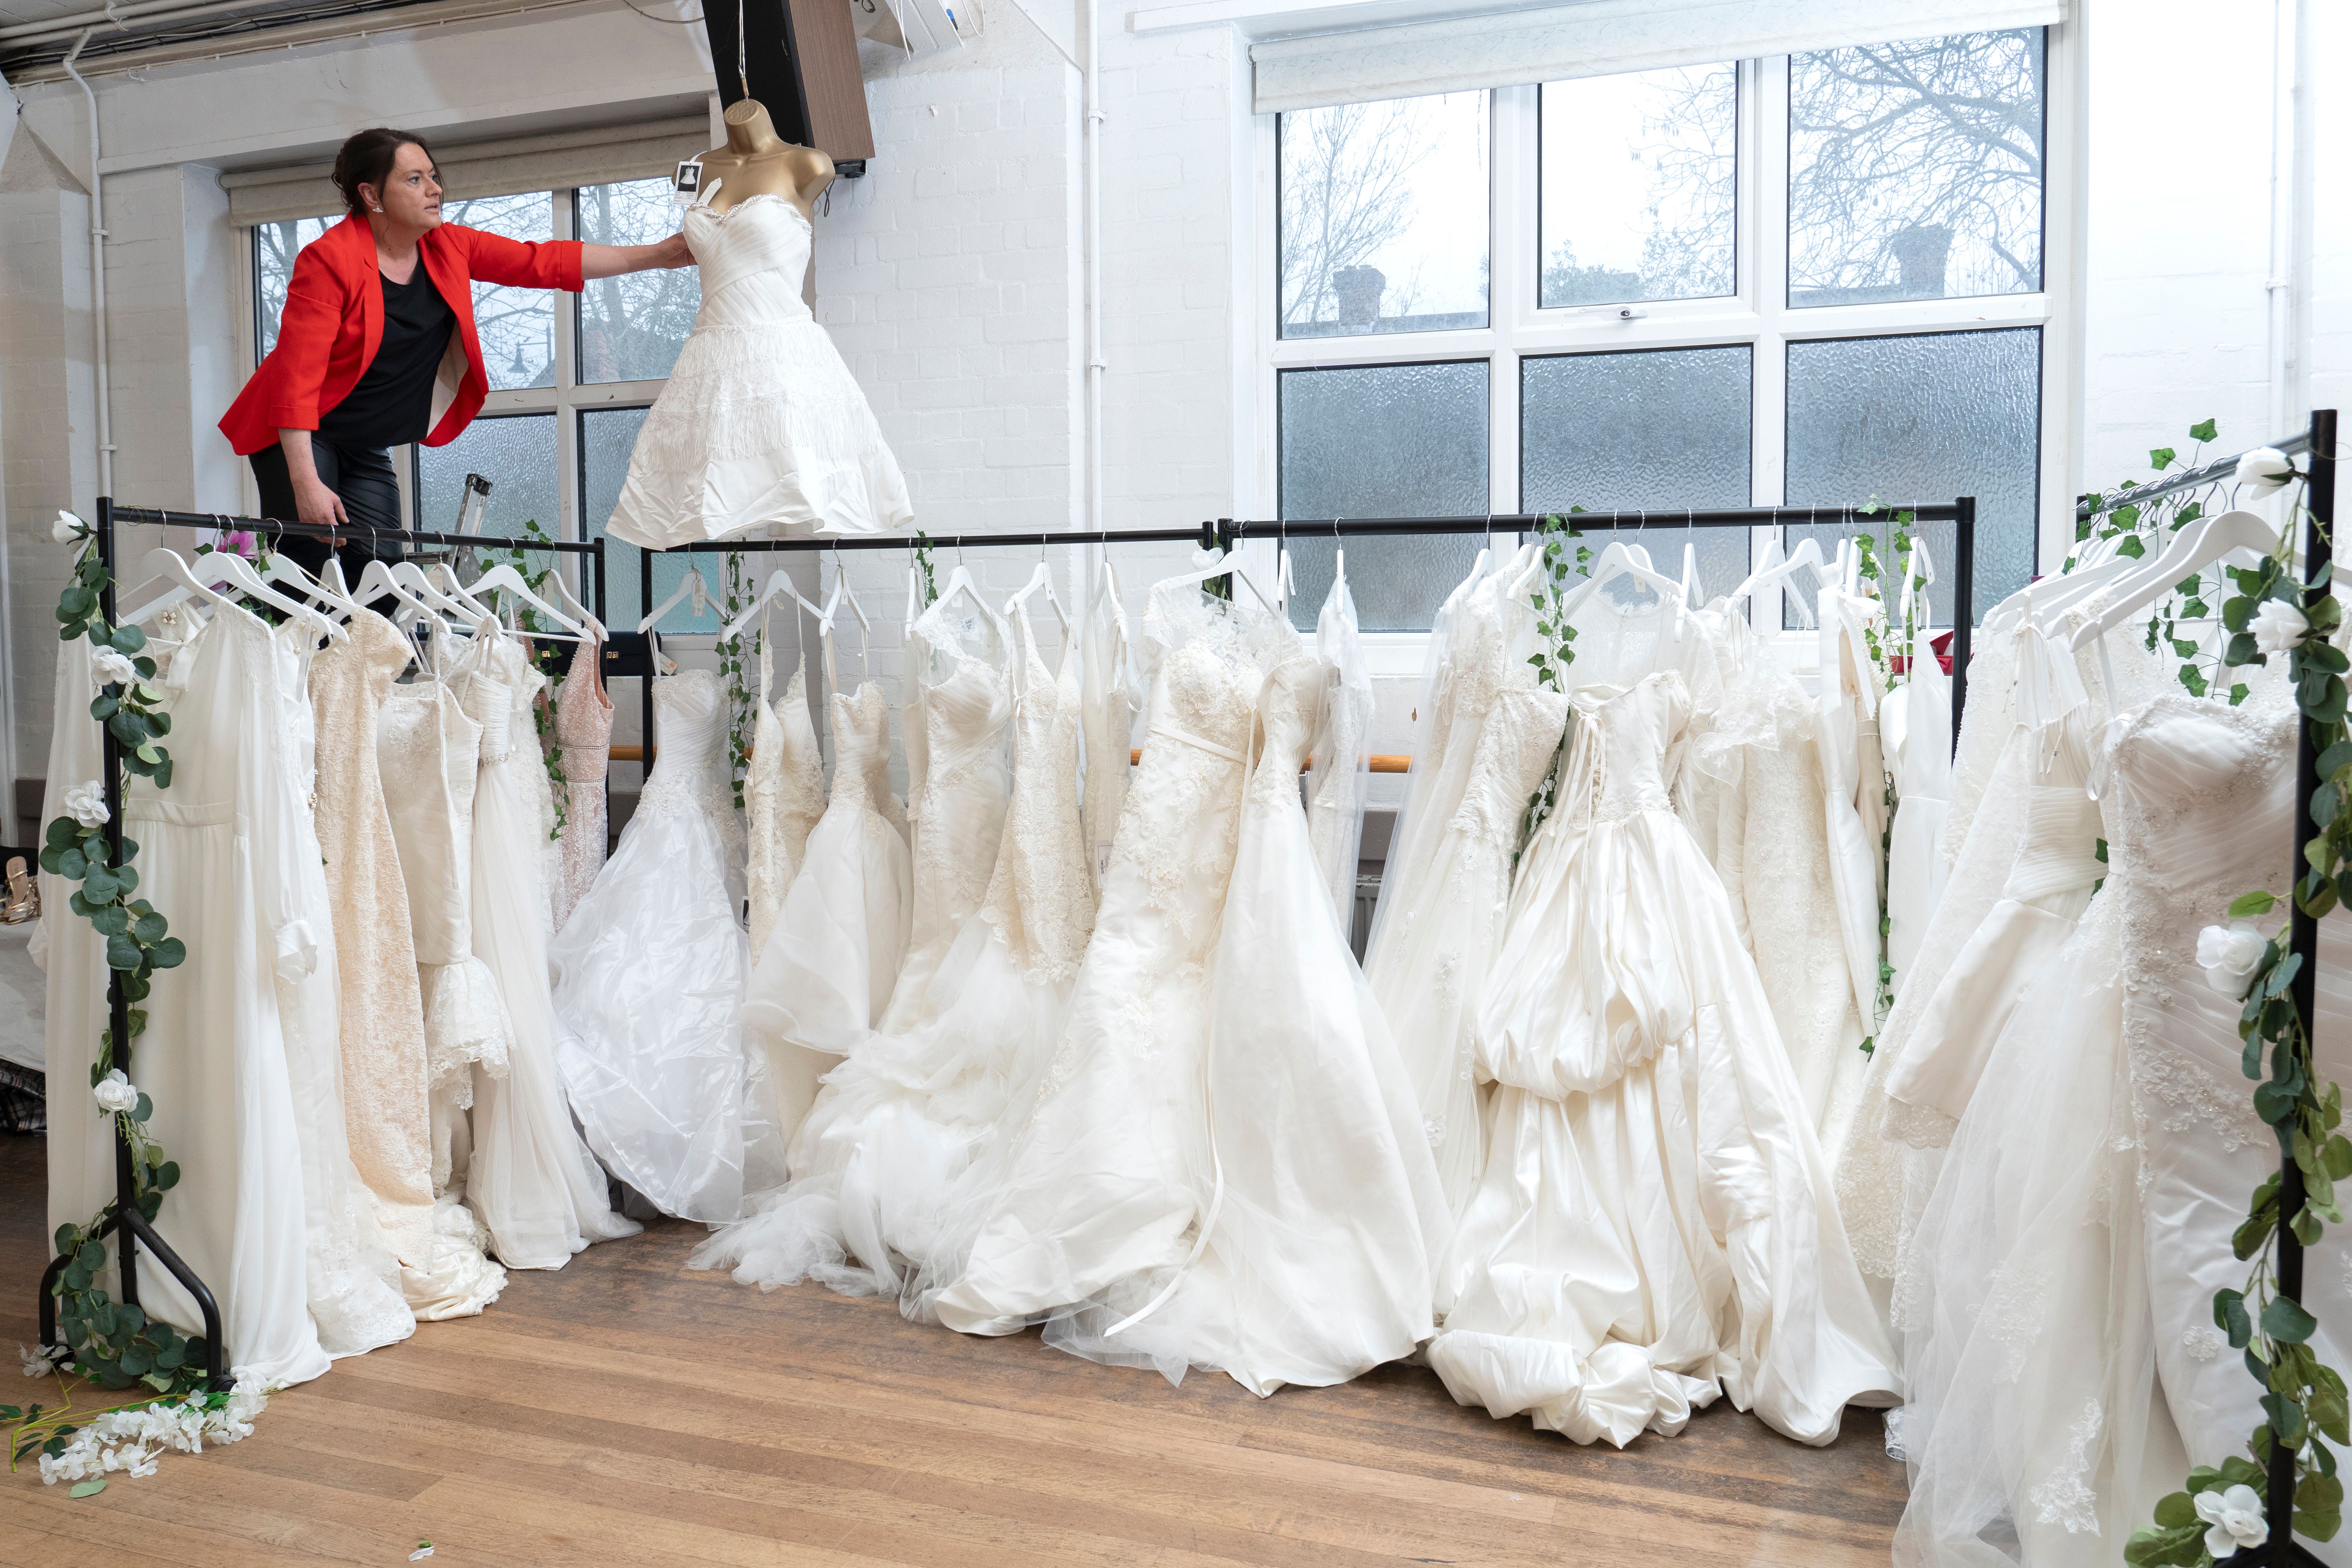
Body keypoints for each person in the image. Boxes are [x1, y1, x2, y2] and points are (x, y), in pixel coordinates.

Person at [219, 127, 692, 577]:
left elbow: (543, 261)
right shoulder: (327, 260)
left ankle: (365, 663)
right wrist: (304, 481)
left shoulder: (449, 246)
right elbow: (296, 380)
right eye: (415, 179)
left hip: (363, 439)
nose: (435, 189)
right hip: (302, 435)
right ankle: (295, 660)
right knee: (311, 571)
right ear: (371, 195)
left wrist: (661, 253)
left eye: (433, 176)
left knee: (380, 577)